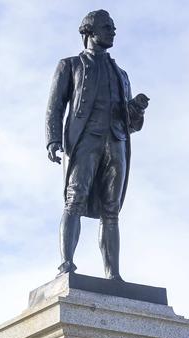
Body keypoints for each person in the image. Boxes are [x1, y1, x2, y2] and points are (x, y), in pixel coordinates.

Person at [45, 10, 149, 279]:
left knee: (111, 210)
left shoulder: (122, 74)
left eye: (113, 27)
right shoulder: (70, 65)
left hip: (116, 141)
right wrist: (53, 139)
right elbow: (55, 107)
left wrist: (136, 109)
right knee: (74, 200)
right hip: (85, 140)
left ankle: (113, 274)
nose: (113, 31)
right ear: (88, 31)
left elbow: (130, 123)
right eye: (107, 27)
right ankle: (66, 266)